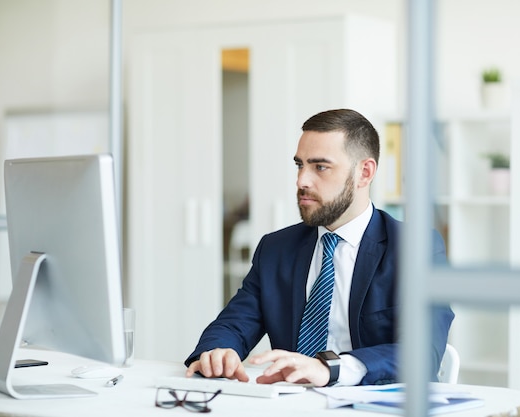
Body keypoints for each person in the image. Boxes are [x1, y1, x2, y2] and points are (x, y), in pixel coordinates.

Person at [185, 109, 454, 387]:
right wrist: (218, 352)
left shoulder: (415, 249)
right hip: (292, 403)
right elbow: (233, 324)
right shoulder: (276, 248)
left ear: (364, 172)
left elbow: (423, 352)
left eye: (320, 167)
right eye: (299, 165)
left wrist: (331, 369)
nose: (302, 180)